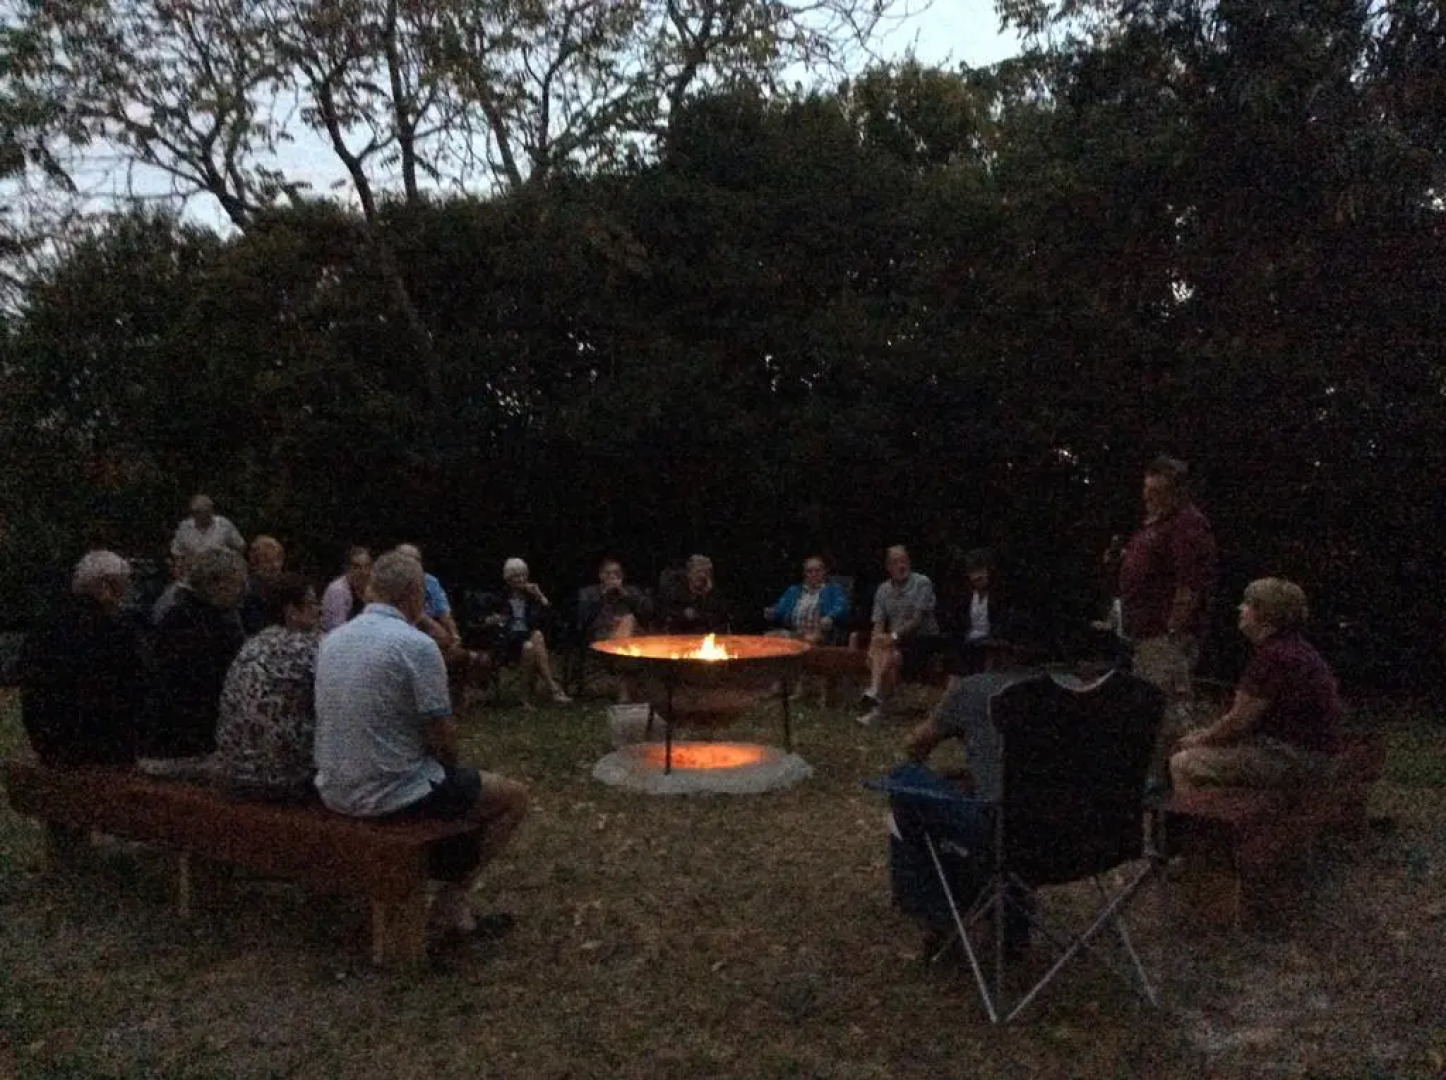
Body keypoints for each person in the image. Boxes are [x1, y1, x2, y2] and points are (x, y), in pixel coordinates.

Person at [313, 550, 530, 944]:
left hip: (333, 787)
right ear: (415, 596)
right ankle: (451, 901)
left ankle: (450, 890)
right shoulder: (415, 646)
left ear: (371, 591)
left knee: (454, 784)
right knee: (512, 797)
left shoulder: (331, 642)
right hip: (389, 792)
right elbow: (444, 737)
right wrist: (452, 769)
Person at [1170, 578, 1345, 793]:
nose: (1240, 608)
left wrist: (1199, 739)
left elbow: (1238, 723)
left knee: (1184, 763)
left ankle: (1196, 824)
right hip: (1314, 756)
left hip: (1295, 760)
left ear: (1265, 614)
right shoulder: (1296, 650)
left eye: (1248, 604)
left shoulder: (1274, 658)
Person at [18, 550, 149, 766]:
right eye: (124, 586)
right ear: (107, 587)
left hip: (52, 750)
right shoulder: (115, 633)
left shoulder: (44, 629)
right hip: (104, 755)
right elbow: (134, 694)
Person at [1118, 456, 1217, 721]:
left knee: (1166, 708)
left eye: (1157, 492)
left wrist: (1173, 629)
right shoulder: (1154, 523)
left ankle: (1174, 761)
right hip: (1143, 633)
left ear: (1178, 492)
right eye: (1146, 489)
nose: (1149, 497)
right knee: (1146, 706)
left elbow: (1190, 584)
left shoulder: (1187, 525)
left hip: (1164, 637)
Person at [211, 573, 323, 800]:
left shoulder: (252, 645)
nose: (319, 609)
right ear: (291, 610)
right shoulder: (310, 648)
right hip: (280, 777)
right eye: (312, 603)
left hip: (232, 771)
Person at [143, 546, 247, 762]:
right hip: (189, 741)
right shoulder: (194, 622)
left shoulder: (193, 614)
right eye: (236, 583)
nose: (241, 590)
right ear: (215, 583)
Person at [396, 543, 493, 704]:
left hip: (433, 637)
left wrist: (455, 635)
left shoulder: (430, 582)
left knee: (473, 657)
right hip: (406, 638)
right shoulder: (392, 587)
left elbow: (444, 612)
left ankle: (457, 697)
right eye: (408, 561)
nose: (414, 565)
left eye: (417, 560)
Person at [857, 545, 942, 726]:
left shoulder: (922, 583)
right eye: (896, 562)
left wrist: (892, 637)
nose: (901, 566)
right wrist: (874, 646)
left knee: (890, 655)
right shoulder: (883, 590)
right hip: (895, 642)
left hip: (922, 639)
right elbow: (878, 624)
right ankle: (878, 702)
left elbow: (917, 620)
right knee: (887, 655)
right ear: (888, 567)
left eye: (904, 561)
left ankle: (876, 698)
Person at [480, 557, 571, 705]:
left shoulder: (532, 597)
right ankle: (552, 687)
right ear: (508, 578)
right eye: (515, 576)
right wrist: (494, 620)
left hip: (527, 638)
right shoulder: (499, 597)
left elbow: (555, 621)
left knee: (532, 642)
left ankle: (526, 698)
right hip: (507, 640)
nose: (520, 579)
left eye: (522, 575)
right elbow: (485, 620)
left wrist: (541, 597)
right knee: (534, 639)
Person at [764, 555, 850, 644]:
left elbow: (842, 607)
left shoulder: (834, 590)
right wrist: (772, 612)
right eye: (809, 571)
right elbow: (780, 608)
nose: (814, 574)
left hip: (819, 634)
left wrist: (831, 617)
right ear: (804, 574)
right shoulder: (793, 590)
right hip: (795, 633)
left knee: (807, 640)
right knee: (768, 638)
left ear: (824, 572)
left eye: (818, 571)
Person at [577, 558, 652, 643]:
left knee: (628, 619)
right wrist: (603, 594)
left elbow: (648, 612)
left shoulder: (632, 591)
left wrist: (625, 594)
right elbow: (583, 618)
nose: (612, 576)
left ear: (622, 575)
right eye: (608, 573)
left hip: (631, 635)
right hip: (601, 635)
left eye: (617, 573)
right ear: (601, 575)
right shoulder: (588, 592)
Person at [657, 554, 730, 634]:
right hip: (678, 634)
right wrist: (683, 615)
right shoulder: (674, 590)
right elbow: (664, 615)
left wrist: (706, 595)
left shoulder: (714, 593)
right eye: (698, 571)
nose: (702, 575)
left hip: (704, 635)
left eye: (706, 572)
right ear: (689, 573)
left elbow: (719, 618)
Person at [169, 493, 245, 563]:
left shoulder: (223, 524)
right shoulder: (185, 527)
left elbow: (240, 546)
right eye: (204, 513)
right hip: (193, 569)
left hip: (220, 568)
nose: (209, 515)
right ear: (194, 514)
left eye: (210, 511)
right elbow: (176, 552)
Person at [239, 535, 286, 636]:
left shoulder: (285, 585)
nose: (275, 566)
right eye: (268, 561)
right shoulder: (249, 592)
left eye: (278, 559)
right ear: (254, 563)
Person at [321, 546, 372, 632]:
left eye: (367, 566)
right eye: (357, 567)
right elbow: (338, 628)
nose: (363, 572)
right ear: (347, 568)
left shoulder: (371, 588)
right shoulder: (338, 591)